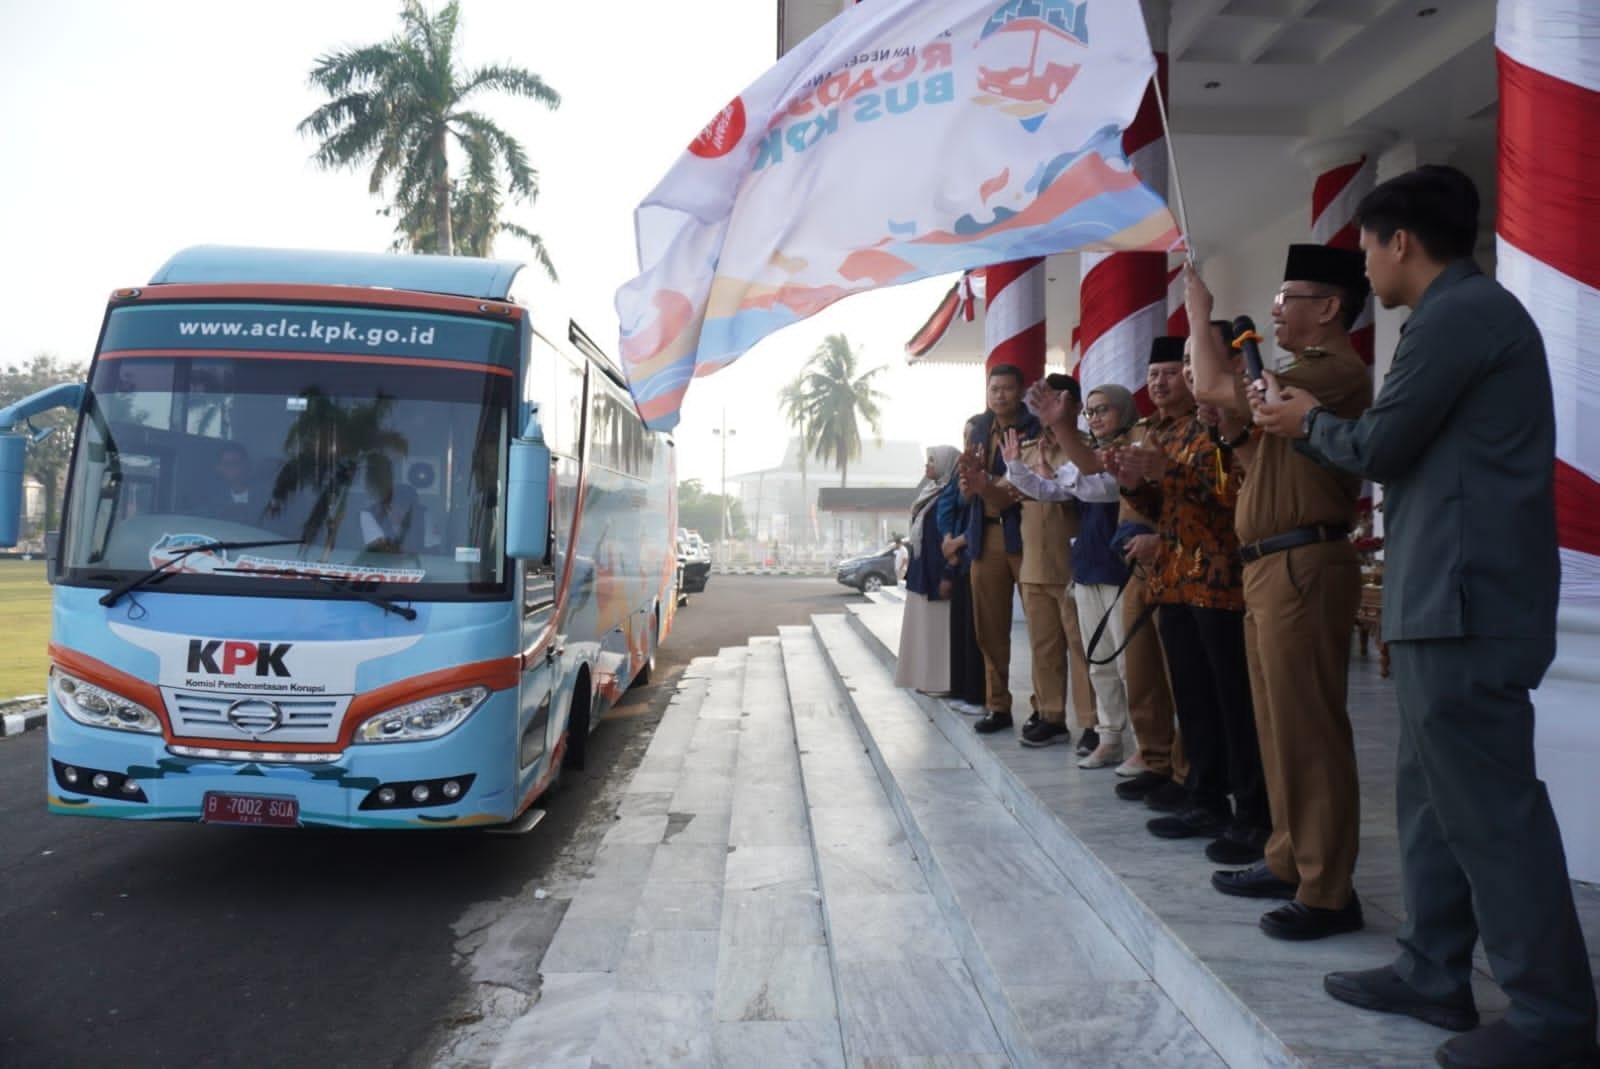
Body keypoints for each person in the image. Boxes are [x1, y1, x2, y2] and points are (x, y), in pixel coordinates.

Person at [1253, 165, 1598, 1069]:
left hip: (1466, 597)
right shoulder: (1451, 318)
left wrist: (1304, 423)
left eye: (1366, 247)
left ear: (1400, 241)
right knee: (1432, 799)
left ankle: (1554, 1014)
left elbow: (1381, 443)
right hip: (1440, 594)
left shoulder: (1461, 316)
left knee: (1490, 808)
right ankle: (1432, 968)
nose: (1364, 267)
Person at [1186, 246, 1375, 939]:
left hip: (1304, 562)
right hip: (1270, 563)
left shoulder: (1334, 371)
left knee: (1309, 729)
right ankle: (1290, 854)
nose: (1275, 307)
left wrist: (1198, 313)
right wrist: (1234, 433)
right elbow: (1256, 453)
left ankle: (1328, 888)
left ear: (1328, 308)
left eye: (1289, 296)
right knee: (1277, 724)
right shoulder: (1296, 381)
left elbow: (1210, 385)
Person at [1106, 332, 1270, 856]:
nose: (1183, 376)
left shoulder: (1231, 423)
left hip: (1221, 581)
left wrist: (1165, 472)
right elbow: (1166, 507)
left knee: (1234, 703)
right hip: (1176, 579)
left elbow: (1237, 495)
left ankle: (1252, 811)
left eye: (1190, 366)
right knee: (1194, 698)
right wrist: (1134, 483)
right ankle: (1204, 796)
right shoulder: (1176, 430)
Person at [1003, 377, 1129, 763]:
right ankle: (1109, 737)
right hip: (1089, 565)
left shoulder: (1127, 451)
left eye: (1102, 409)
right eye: (1091, 411)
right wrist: (1016, 468)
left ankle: (1149, 745)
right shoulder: (1090, 453)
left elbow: (1095, 486)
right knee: (1099, 660)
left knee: (1128, 664)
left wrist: (1059, 438)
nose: (1095, 418)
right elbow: (1055, 491)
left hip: (1121, 569)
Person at [957, 364, 1041, 735]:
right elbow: (966, 491)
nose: (1000, 395)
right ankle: (997, 705)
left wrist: (985, 482)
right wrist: (968, 484)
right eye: (994, 389)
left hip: (1024, 534)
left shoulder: (1035, 429)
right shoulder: (977, 428)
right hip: (985, 534)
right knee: (989, 627)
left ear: (1020, 392)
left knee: (1042, 627)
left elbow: (1017, 489)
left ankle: (1045, 708)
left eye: (1007, 389)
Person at [895, 446, 961, 693]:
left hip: (939, 569)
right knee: (924, 630)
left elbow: (948, 532)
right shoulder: (930, 492)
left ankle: (941, 682)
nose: (927, 465)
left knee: (939, 632)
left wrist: (948, 573)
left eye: (932, 460)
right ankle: (925, 678)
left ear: (945, 463)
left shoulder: (951, 493)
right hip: (922, 569)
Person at [937, 441, 986, 714]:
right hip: (957, 558)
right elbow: (950, 505)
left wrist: (958, 543)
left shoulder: (986, 473)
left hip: (975, 555)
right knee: (961, 630)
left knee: (977, 631)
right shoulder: (959, 475)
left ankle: (978, 695)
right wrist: (948, 541)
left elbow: (981, 514)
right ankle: (961, 689)